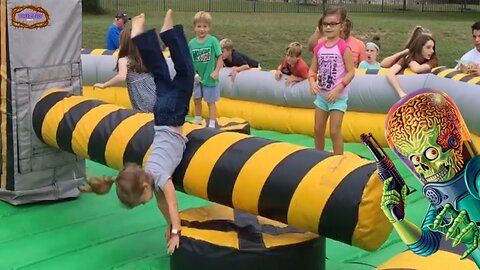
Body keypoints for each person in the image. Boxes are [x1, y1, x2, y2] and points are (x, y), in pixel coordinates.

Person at [82, 10, 194, 255]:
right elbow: (163, 205)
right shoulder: (148, 172)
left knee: (185, 72)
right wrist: (167, 224)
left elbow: (172, 203)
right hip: (160, 116)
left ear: (144, 186)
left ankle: (169, 34)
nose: (145, 203)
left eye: (139, 201)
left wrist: (176, 231)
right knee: (161, 72)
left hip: (172, 115)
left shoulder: (161, 177)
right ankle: (142, 32)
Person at [309, 6, 355, 155]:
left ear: (341, 26)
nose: (328, 27)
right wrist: (312, 82)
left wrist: (338, 88)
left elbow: (351, 72)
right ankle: (318, 156)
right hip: (322, 96)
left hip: (338, 98)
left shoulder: (343, 47)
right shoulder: (319, 47)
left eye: (333, 24)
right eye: (325, 24)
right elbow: (312, 70)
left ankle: (338, 160)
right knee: (318, 129)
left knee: (334, 131)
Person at [94, 30, 156, 112]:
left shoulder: (124, 59)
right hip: (154, 93)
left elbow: (121, 77)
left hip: (142, 98)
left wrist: (104, 85)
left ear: (124, 42)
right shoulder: (142, 57)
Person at [189, 11, 223, 128]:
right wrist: (194, 75)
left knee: (210, 101)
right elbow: (189, 62)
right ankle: (198, 119)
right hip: (197, 78)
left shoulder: (213, 41)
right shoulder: (192, 44)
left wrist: (216, 71)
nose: (202, 29)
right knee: (196, 99)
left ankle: (212, 122)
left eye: (205, 26)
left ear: (209, 28)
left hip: (210, 77)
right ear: (195, 27)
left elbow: (220, 58)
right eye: (199, 26)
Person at [386, 34, 438, 98]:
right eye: (428, 47)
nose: (432, 51)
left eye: (433, 48)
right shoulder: (408, 57)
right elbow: (390, 72)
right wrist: (400, 92)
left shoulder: (433, 60)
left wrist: (409, 59)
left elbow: (417, 69)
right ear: (419, 47)